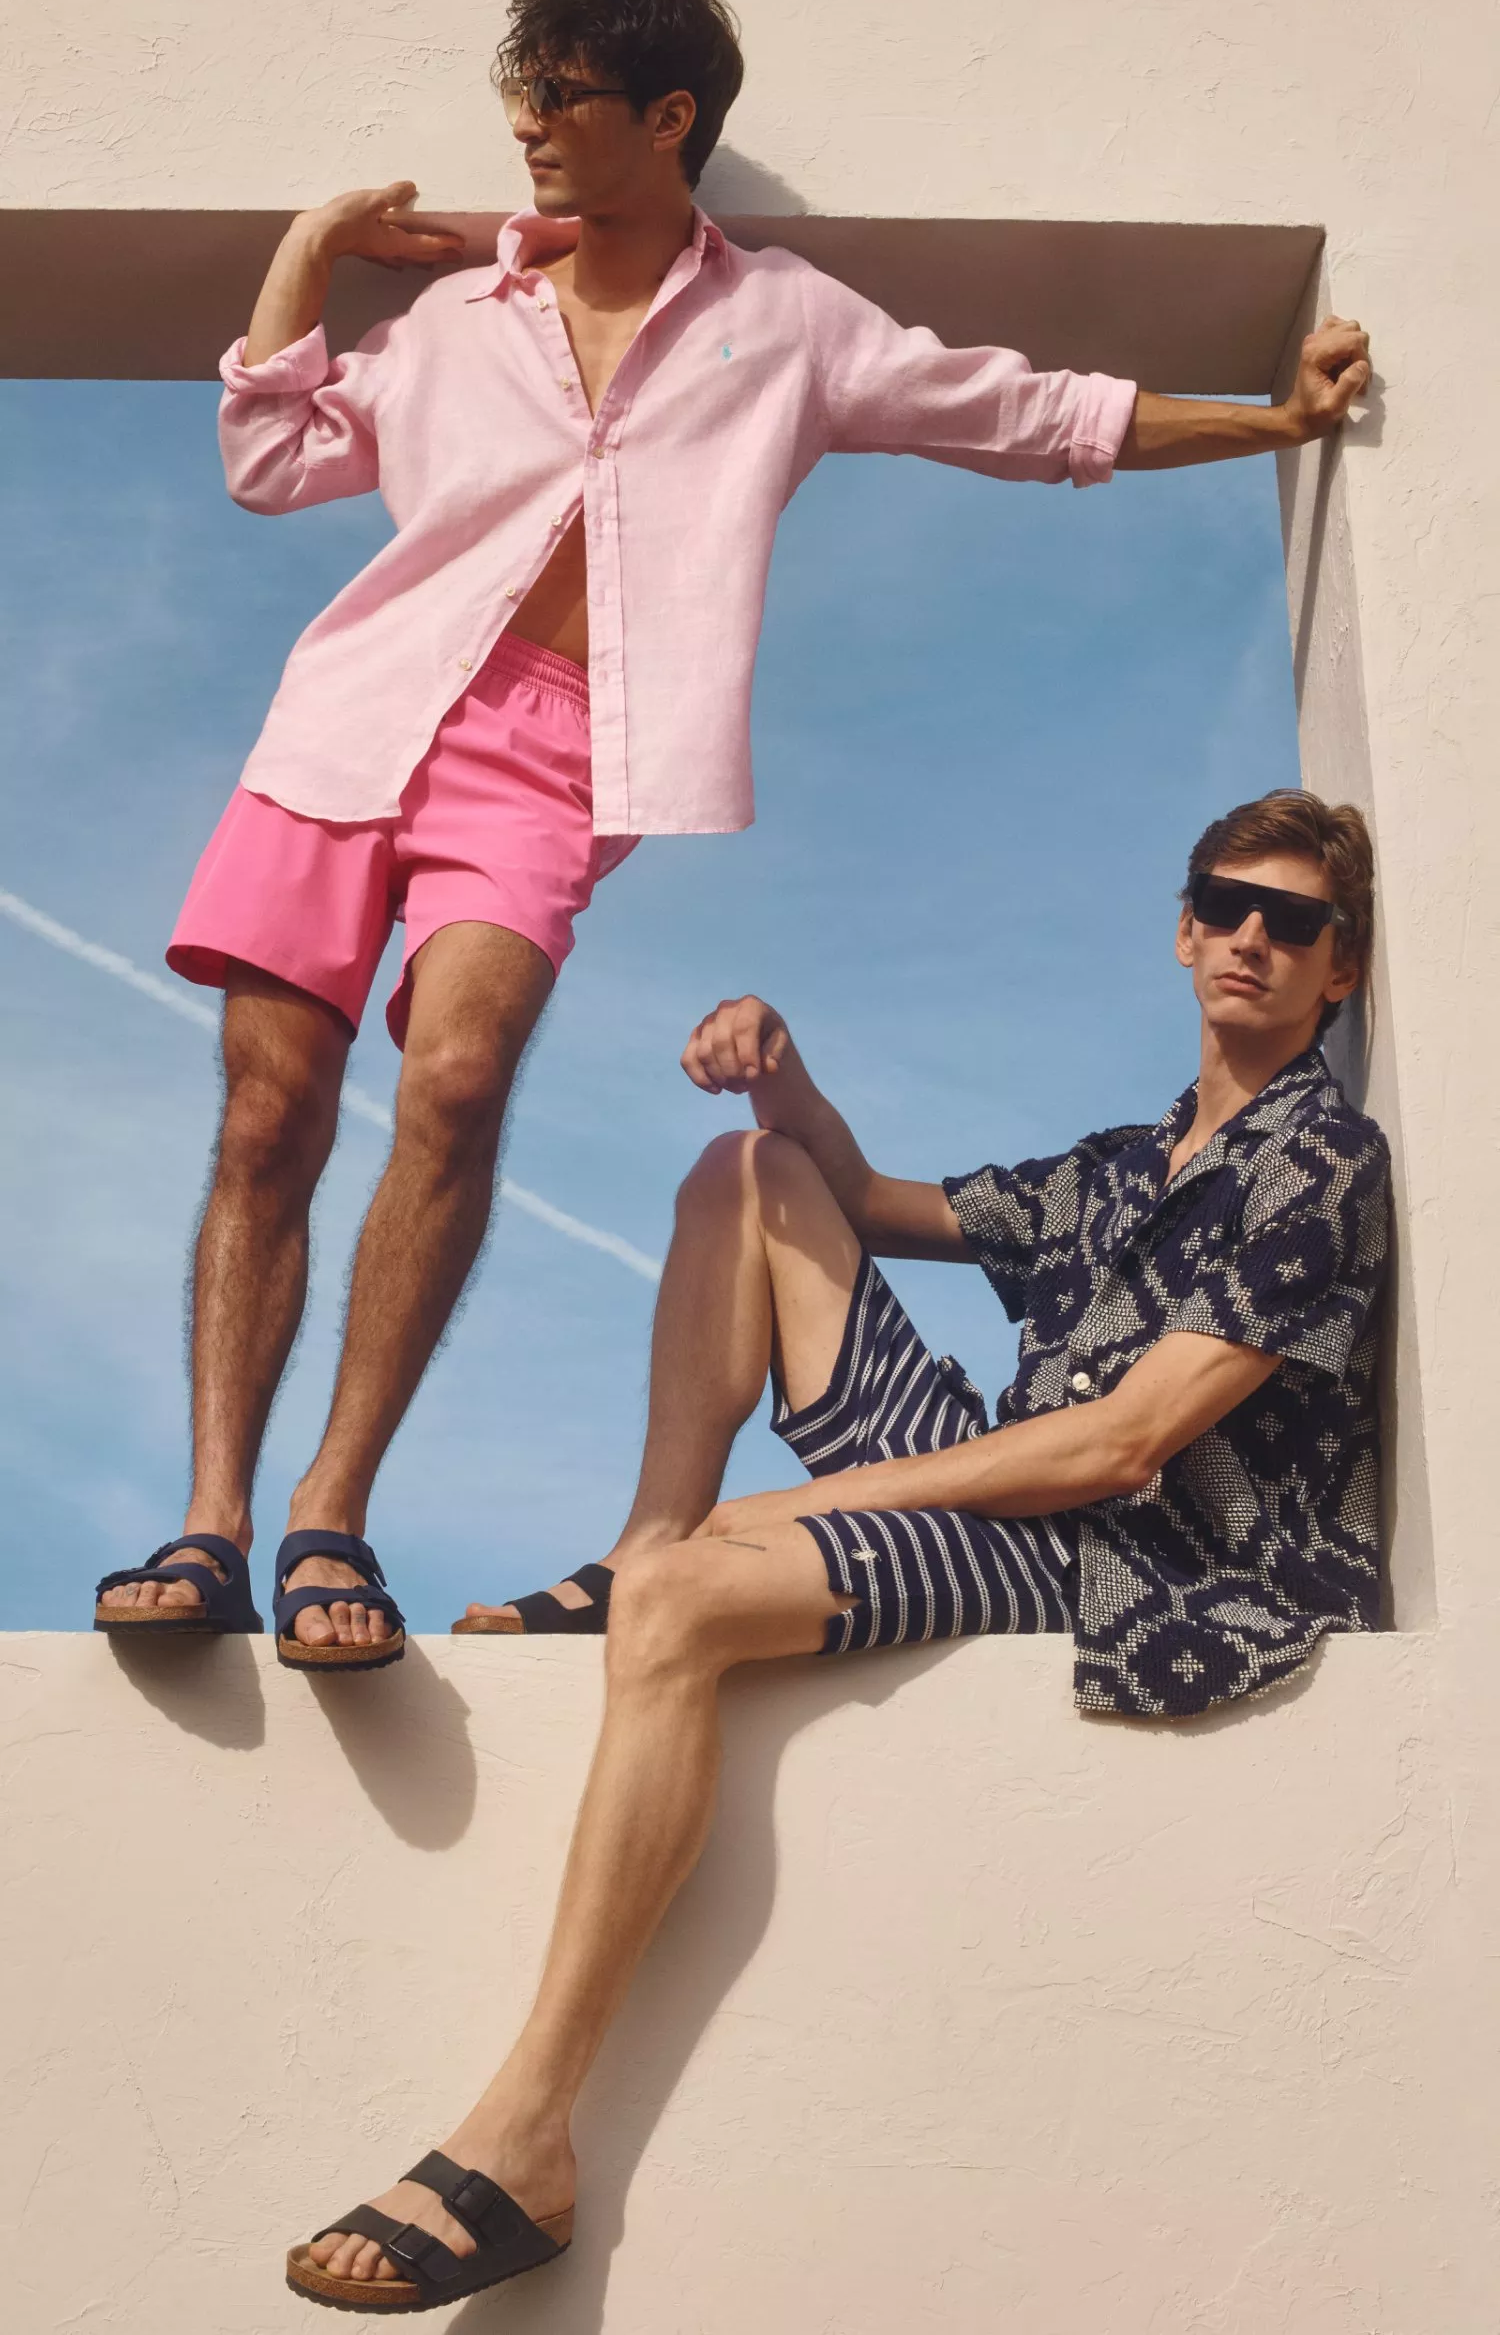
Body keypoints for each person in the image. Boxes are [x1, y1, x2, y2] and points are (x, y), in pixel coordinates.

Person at [93, 0, 1373, 1666]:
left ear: (668, 117)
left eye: (564, 98)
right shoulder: (459, 317)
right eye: (522, 96)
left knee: (458, 1083)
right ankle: (215, 1520)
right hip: (344, 722)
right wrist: (309, 248)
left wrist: (1272, 417)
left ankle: (331, 1516)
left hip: (553, 757)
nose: (530, 129)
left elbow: (1022, 410)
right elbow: (270, 462)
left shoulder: (783, 324)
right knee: (269, 1119)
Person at [284, 786, 1390, 2309]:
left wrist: (807, 1506)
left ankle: (524, 2132)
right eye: (1228, 906)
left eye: (1299, 924)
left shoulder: (1320, 1161)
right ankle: (647, 1533)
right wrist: (781, 1071)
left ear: (1342, 971)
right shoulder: (1121, 1164)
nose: (1254, 939)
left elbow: (1122, 1446)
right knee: (748, 1177)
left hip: (1125, 1570)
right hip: (1005, 1503)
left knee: (682, 1604)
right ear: (1186, 928)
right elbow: (864, 1205)